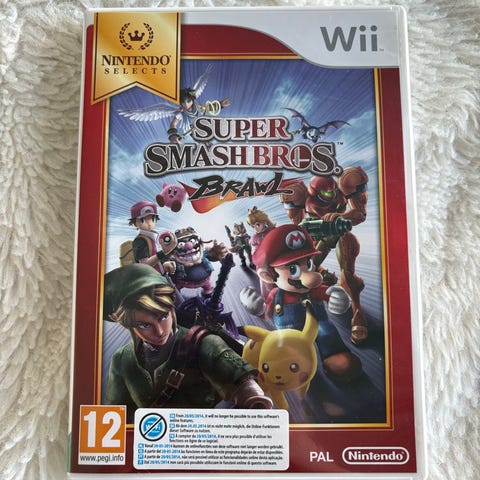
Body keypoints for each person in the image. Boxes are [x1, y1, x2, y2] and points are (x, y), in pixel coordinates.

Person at [104, 264, 271, 421]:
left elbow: (242, 383)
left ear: (171, 309)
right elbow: (116, 413)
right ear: (126, 324)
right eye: (145, 325)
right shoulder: (122, 359)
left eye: (163, 316)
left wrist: (251, 397)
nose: (160, 331)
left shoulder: (201, 342)